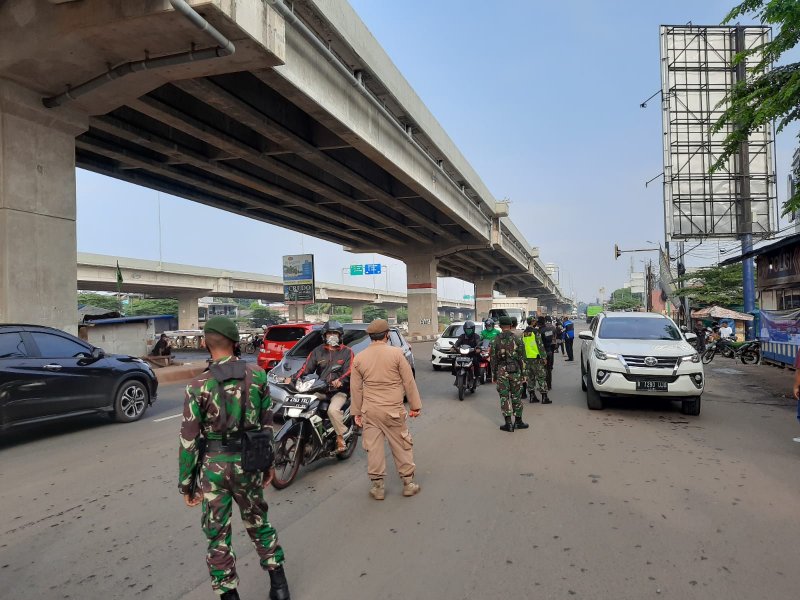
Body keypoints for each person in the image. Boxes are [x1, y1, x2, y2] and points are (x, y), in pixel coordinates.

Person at [178, 316, 290, 600]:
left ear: (205, 343)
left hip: (213, 469)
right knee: (258, 522)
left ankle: (229, 595)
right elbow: (267, 427)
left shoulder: (197, 385)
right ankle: (279, 587)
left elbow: (189, 441)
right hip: (250, 462)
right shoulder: (258, 376)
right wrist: (267, 466)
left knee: (217, 534)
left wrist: (187, 484)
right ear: (236, 343)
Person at [350, 319, 422, 500]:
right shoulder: (397, 354)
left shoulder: (359, 358)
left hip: (370, 411)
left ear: (369, 337)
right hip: (393, 410)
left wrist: (356, 413)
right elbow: (408, 381)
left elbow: (356, 389)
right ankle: (408, 484)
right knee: (401, 445)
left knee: (373, 448)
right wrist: (415, 406)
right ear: (387, 335)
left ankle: (378, 487)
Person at [287, 321, 353, 454]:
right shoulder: (317, 351)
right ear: (324, 335)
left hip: (339, 391)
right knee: (304, 406)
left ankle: (341, 437)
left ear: (340, 336)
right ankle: (308, 435)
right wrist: (292, 378)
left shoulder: (347, 352)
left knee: (333, 411)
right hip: (321, 389)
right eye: (330, 333)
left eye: (335, 333)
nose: (332, 336)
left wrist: (340, 381)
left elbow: (350, 371)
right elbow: (305, 369)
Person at [490, 316, 527, 432]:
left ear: (500, 326)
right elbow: (522, 358)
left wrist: (494, 375)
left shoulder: (495, 340)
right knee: (516, 396)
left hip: (501, 371)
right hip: (515, 370)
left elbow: (493, 359)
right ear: (510, 326)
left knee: (504, 397)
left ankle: (508, 424)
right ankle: (519, 421)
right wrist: (524, 374)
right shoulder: (517, 339)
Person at [522, 317, 549, 404]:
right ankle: (544, 397)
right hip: (536, 358)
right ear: (533, 322)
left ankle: (532, 397)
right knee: (541, 377)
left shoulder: (524, 333)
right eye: (535, 321)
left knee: (530, 378)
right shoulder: (535, 332)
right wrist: (544, 357)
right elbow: (540, 345)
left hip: (527, 359)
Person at [453, 320, 482, 390]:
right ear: (464, 329)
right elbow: (457, 342)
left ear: (473, 329)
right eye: (467, 330)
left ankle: (477, 378)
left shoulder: (476, 336)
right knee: (454, 359)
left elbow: (478, 343)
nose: (468, 331)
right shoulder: (462, 336)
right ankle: (456, 376)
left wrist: (478, 348)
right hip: (463, 355)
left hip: (472, 354)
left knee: (476, 362)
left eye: (470, 330)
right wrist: (454, 347)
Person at [539, 316, 557, 391]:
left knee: (542, 369)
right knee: (548, 369)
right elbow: (552, 337)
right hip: (549, 349)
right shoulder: (550, 329)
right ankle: (549, 385)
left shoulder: (539, 331)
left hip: (542, 352)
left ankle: (543, 386)